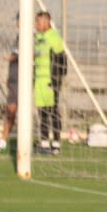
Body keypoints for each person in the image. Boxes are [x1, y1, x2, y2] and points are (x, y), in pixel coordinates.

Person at [34, 11, 66, 155]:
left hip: (49, 82)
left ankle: (57, 144)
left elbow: (62, 61)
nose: (36, 25)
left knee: (53, 112)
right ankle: (45, 143)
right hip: (39, 81)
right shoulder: (39, 38)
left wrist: (56, 81)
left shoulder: (54, 37)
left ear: (47, 22)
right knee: (42, 113)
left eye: (38, 22)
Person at [0, 16, 19, 153]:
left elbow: (25, 55)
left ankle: (48, 142)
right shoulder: (19, 37)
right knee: (10, 111)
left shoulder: (30, 37)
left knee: (12, 111)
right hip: (14, 81)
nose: (16, 23)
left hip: (22, 82)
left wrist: (11, 58)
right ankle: (3, 140)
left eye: (18, 20)